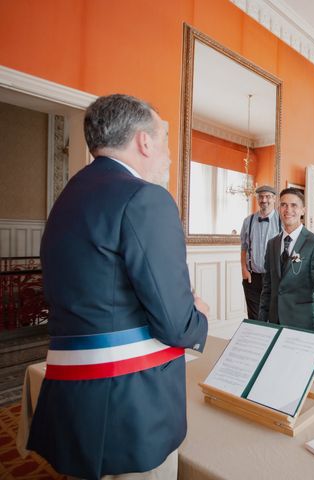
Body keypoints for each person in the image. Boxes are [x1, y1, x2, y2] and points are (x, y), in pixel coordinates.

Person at [27, 94, 210, 479]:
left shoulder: (69, 197)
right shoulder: (146, 198)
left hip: (73, 397)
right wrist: (199, 317)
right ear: (144, 141)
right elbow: (175, 324)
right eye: (164, 139)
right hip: (130, 405)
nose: (169, 154)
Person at [258, 188, 314, 333]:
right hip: (275, 322)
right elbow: (267, 287)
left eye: (294, 205)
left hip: (303, 322)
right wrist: (261, 321)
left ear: (303, 210)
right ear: (279, 208)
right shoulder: (272, 244)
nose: (288, 210)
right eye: (283, 205)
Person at [240, 185, 281, 320]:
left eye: (268, 196)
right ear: (257, 199)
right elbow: (244, 247)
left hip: (274, 277)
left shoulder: (282, 221)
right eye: (261, 196)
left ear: (274, 199)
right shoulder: (248, 221)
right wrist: (244, 270)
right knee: (255, 317)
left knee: (274, 316)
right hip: (253, 278)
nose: (264, 200)